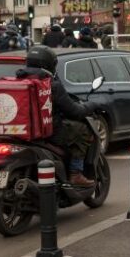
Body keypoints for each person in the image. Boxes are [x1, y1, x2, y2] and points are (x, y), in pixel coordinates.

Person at [18, 46, 99, 187]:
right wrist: (90, 105)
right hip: (49, 132)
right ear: (49, 64)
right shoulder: (51, 84)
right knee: (82, 131)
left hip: (20, 131)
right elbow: (75, 111)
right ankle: (76, 173)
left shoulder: (18, 81)